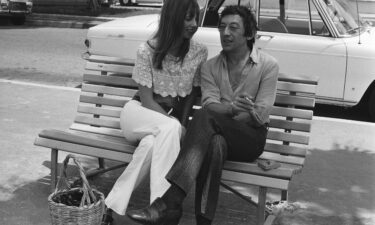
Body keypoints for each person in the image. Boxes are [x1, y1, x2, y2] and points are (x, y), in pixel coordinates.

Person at [126, 5, 279, 225]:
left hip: (250, 139)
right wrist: (234, 110)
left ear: (249, 33)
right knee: (214, 142)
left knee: (206, 118)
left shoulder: (268, 65)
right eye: (222, 27)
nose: (225, 33)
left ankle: (170, 203)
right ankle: (201, 221)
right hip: (217, 135)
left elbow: (261, 113)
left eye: (233, 27)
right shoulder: (210, 67)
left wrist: (226, 114)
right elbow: (209, 103)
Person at [102, 0, 208, 224]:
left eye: (196, 18)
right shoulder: (147, 50)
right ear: (173, 18)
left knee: (150, 146)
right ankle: (164, 209)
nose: (194, 24)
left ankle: (110, 206)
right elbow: (147, 101)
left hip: (163, 127)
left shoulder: (199, 52)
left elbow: (192, 95)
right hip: (138, 114)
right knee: (170, 128)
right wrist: (176, 125)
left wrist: (183, 123)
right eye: (188, 17)